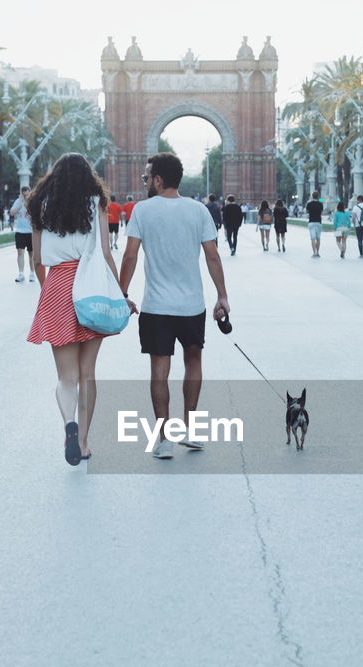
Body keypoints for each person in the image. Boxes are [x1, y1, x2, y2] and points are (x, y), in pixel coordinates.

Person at [120, 152, 230, 461]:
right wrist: (222, 296)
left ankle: (164, 439)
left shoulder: (142, 211)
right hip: (191, 305)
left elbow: (130, 257)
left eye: (146, 177)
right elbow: (212, 256)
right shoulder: (198, 211)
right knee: (193, 362)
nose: (144, 182)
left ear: (157, 180)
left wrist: (121, 293)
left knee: (159, 368)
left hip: (156, 306)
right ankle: (192, 431)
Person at [25, 154, 132, 466]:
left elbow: (37, 259)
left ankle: (68, 425)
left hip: (57, 285)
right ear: (89, 177)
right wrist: (120, 293)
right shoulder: (95, 202)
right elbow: (105, 253)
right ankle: (83, 441)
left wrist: (49, 290)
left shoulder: (39, 204)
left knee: (66, 377)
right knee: (88, 374)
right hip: (91, 288)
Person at [9, 186, 33, 282]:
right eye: (23, 194)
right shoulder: (18, 201)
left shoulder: (32, 201)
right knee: (20, 253)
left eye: (27, 193)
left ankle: (32, 273)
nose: (25, 195)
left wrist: (27, 203)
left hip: (30, 232)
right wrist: (20, 203)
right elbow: (12, 213)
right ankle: (21, 274)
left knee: (31, 254)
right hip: (20, 231)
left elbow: (34, 213)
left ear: (30, 193)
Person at [305, 192, 325, 258]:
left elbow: (307, 211)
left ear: (312, 196)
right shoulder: (320, 204)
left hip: (311, 222)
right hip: (318, 222)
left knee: (313, 238)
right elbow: (321, 212)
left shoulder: (309, 204)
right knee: (318, 238)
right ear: (318, 196)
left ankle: (314, 252)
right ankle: (318, 252)